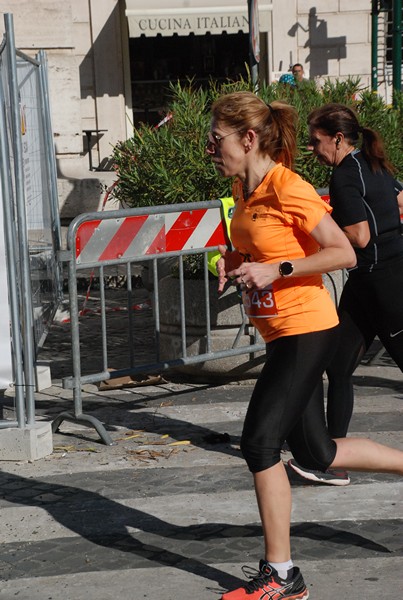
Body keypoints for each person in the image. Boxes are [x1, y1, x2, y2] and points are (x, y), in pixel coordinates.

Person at [205, 91, 403, 600]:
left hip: (307, 328)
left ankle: (282, 576)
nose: (210, 146)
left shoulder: (289, 186)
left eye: (216, 137)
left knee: (259, 443)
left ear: (248, 139)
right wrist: (234, 261)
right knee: (317, 450)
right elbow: (255, 243)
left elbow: (344, 252)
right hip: (281, 333)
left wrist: (278, 269)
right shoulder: (243, 188)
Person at [288, 102, 403, 486]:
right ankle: (331, 459)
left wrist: (321, 231)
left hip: (385, 287)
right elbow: (401, 200)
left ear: (337, 139)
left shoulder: (344, 175)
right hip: (366, 285)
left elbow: (359, 236)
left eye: (315, 141)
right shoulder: (375, 163)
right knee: (337, 367)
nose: (311, 148)